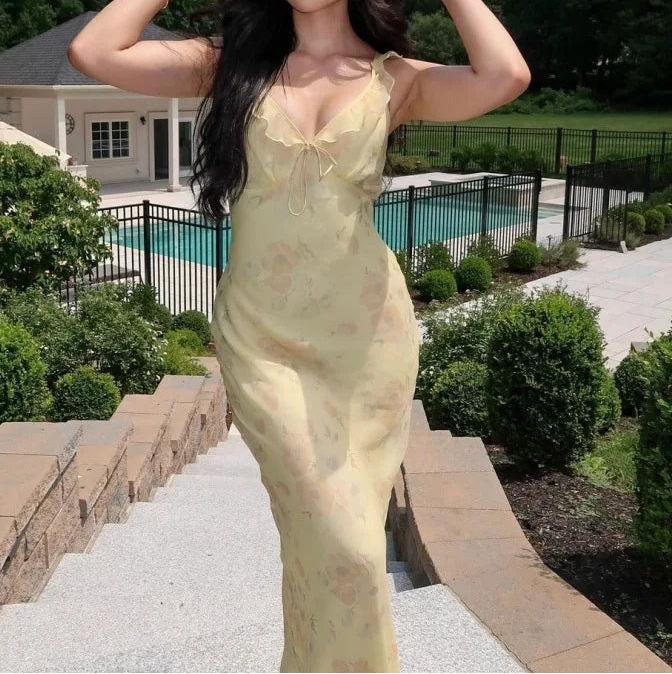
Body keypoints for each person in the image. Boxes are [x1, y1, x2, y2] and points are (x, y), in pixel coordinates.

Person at [68, 2, 529, 672]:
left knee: (330, 544)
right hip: (265, 342)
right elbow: (95, 52)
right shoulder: (229, 63)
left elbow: (506, 75)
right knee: (347, 544)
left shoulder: (396, 78)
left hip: (367, 341)